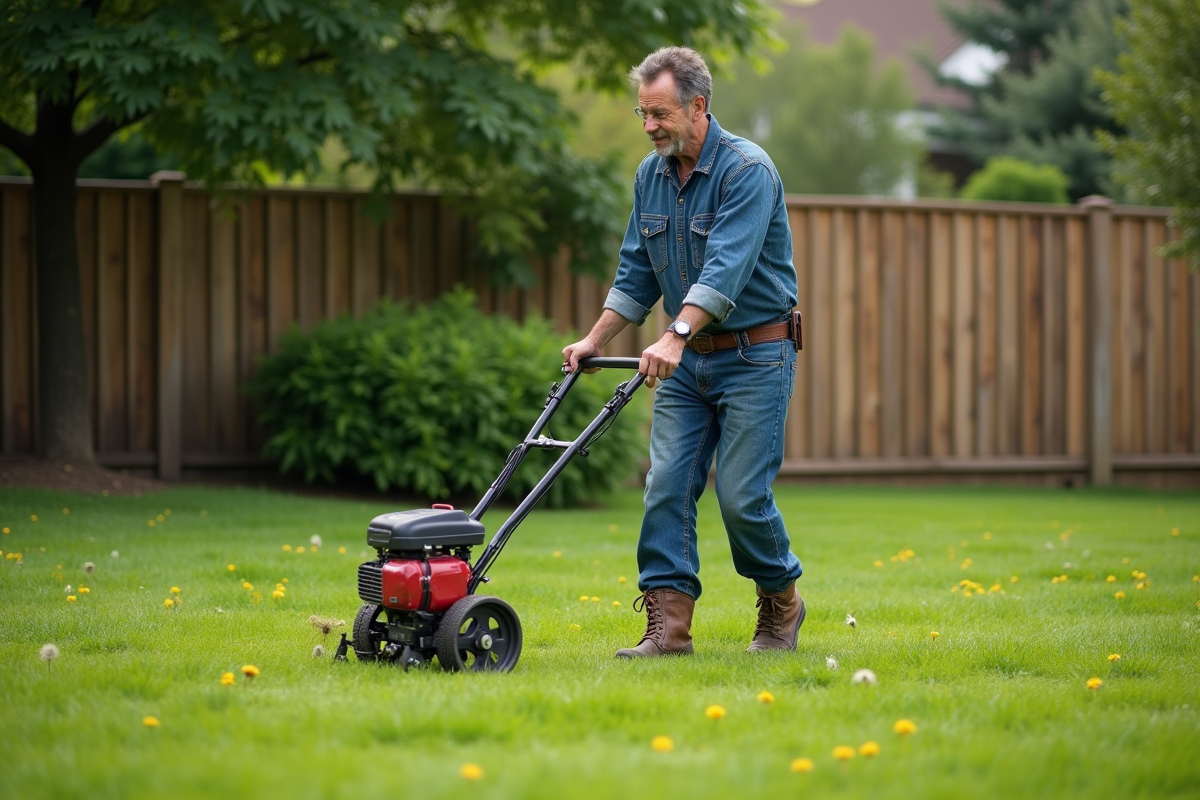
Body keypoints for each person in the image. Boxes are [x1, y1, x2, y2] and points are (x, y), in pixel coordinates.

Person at [562, 46, 805, 658]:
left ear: (698, 106)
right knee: (666, 485)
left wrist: (673, 335)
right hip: (686, 364)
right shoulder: (651, 176)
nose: (649, 127)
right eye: (642, 113)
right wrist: (594, 341)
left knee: (742, 497)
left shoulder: (747, 171)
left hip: (756, 357)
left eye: (660, 114)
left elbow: (725, 268)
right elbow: (637, 272)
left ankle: (781, 600)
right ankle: (668, 632)